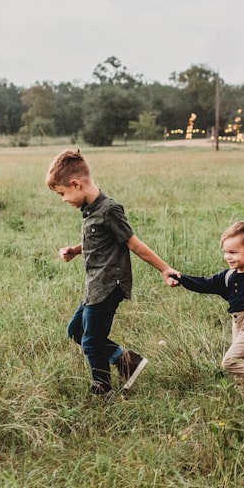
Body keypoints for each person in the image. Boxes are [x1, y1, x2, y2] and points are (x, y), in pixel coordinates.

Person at [46, 149, 176, 399]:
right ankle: (126, 360)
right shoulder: (90, 210)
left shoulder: (109, 209)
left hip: (108, 286)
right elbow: (99, 240)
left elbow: (133, 243)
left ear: (76, 184)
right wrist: (75, 249)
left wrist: (165, 269)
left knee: (91, 341)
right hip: (94, 286)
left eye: (62, 193)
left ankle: (103, 390)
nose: (63, 199)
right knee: (76, 331)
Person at [166, 221, 244, 405]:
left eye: (233, 252)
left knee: (230, 362)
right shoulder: (228, 276)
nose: (228, 257)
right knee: (243, 369)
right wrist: (181, 278)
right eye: (225, 252)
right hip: (238, 326)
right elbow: (204, 284)